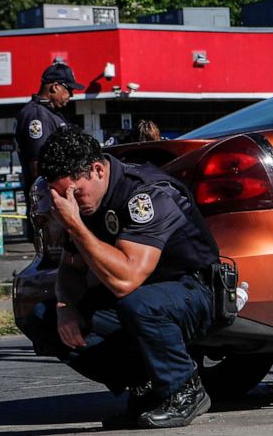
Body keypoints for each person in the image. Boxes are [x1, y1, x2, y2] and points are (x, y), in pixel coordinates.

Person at [24, 127, 218, 429]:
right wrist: (65, 306)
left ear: (97, 169)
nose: (68, 202)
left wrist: (75, 225)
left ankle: (184, 389)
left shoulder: (145, 193)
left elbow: (125, 280)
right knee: (43, 318)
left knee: (139, 304)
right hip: (138, 300)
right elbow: (72, 268)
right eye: (60, 195)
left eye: (72, 193)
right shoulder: (84, 203)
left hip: (193, 291)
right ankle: (146, 386)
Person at [14, 60, 84, 201]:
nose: (71, 95)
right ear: (55, 87)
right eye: (69, 90)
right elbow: (37, 166)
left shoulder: (51, 113)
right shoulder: (37, 116)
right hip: (49, 201)